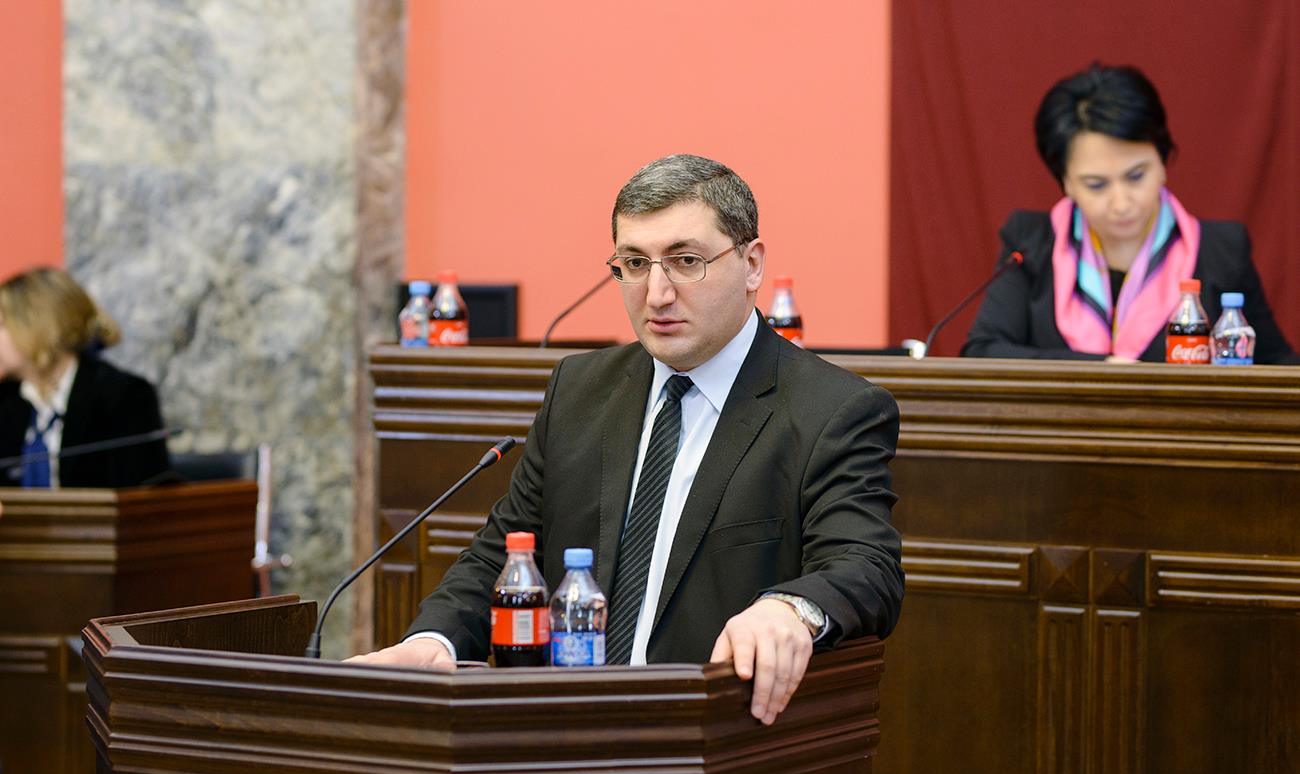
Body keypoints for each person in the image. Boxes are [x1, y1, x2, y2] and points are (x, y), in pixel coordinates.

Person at [350, 154, 905, 725]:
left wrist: (790, 609)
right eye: (635, 263)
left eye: (686, 261)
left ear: (752, 264)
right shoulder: (579, 390)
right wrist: (435, 641)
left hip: (715, 738)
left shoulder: (831, 411)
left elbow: (866, 564)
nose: (656, 294)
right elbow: (505, 552)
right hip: (566, 733)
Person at [962, 64, 1298, 364]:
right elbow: (982, 351)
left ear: (1163, 162)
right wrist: (1103, 370)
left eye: (1136, 176)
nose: (1121, 202)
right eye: (1096, 185)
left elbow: (1278, 367)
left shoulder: (1221, 250)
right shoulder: (1030, 244)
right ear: (1065, 182)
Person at [0, 266, 171, 488]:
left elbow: (141, 496)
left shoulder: (125, 397)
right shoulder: (5, 401)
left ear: (40, 326)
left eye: (1, 325)